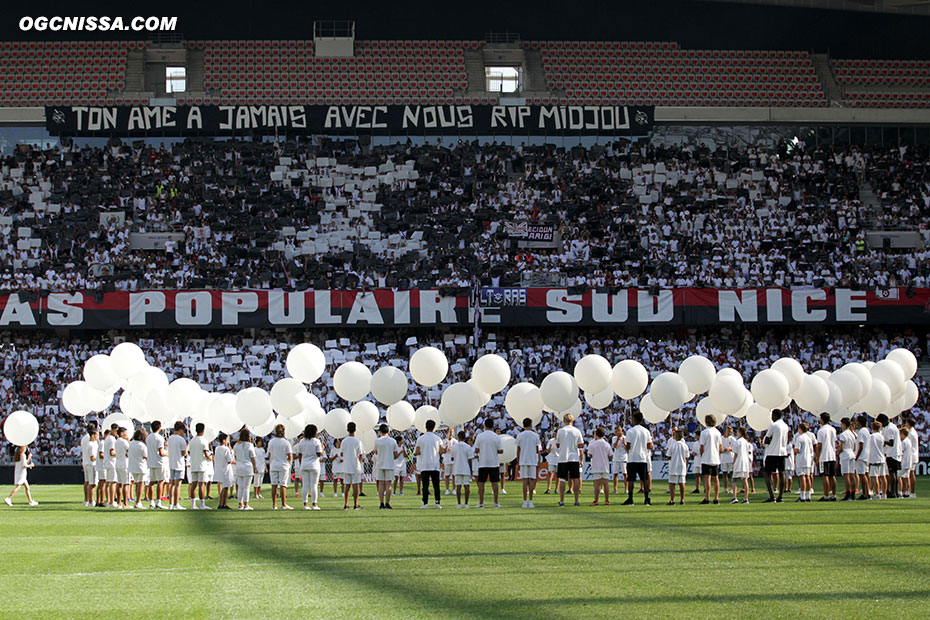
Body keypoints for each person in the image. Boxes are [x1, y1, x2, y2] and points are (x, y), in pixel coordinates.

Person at [623, 412, 654, 506]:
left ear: (634, 419)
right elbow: (649, 445)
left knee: (631, 480)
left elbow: (628, 445)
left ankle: (631, 499)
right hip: (643, 458)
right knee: (644, 479)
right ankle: (646, 499)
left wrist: (626, 447)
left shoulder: (631, 431)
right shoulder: (646, 431)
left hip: (632, 458)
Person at [555, 414, 585, 507]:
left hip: (563, 457)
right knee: (575, 478)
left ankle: (562, 501)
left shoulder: (561, 431)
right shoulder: (577, 431)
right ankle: (576, 501)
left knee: (563, 479)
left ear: (564, 420)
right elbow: (581, 445)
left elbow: (558, 445)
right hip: (574, 457)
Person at [474, 418, 503, 508]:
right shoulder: (496, 436)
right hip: (493, 462)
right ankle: (496, 502)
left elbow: (476, 449)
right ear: (492, 426)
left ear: (485, 426)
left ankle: (481, 503)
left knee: (481, 482)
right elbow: (501, 450)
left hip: (483, 462)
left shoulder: (480, 436)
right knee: (495, 482)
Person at [415, 419, 444, 509]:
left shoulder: (420, 438)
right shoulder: (438, 438)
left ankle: (425, 503)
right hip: (435, 464)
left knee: (425, 485)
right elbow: (441, 451)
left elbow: (417, 452)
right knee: (436, 485)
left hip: (425, 465)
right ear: (434, 427)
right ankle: (437, 502)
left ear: (425, 427)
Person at [762, 409, 789, 503]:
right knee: (782, 473)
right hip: (782, 452)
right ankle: (780, 496)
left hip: (772, 452)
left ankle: (772, 496)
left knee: (767, 473)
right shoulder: (785, 426)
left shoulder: (773, 425)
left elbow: (767, 439)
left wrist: (764, 443)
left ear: (775, 415)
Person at [515, 417, 542, 508]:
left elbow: (518, 450)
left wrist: (518, 462)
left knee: (525, 481)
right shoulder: (535, 435)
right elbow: (537, 450)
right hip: (532, 460)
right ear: (531, 425)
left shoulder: (520, 435)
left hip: (523, 460)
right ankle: (530, 501)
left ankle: (525, 501)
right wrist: (538, 460)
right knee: (531, 480)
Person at [296, 424, 324, 510]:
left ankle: (305, 504)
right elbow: (319, 454)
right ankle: (314, 504)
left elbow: (300, 454)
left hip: (304, 464)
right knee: (314, 485)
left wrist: (302, 464)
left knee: (305, 485)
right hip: (314, 465)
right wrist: (322, 448)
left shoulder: (302, 441)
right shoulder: (316, 441)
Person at [374, 424, 401, 509]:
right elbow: (396, 455)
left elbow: (376, 452)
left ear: (380, 432)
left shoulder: (377, 441)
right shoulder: (393, 441)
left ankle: (381, 503)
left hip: (380, 464)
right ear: (388, 431)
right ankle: (387, 503)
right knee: (388, 484)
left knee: (381, 484)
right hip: (389, 464)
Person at [267, 424, 294, 510]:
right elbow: (289, 456)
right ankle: (284, 504)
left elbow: (269, 455)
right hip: (283, 465)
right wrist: (288, 463)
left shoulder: (271, 442)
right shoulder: (286, 442)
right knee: (283, 485)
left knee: (274, 485)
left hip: (274, 465)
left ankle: (274, 505)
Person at [699, 416, 724, 505]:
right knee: (716, 478)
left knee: (707, 478)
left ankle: (707, 498)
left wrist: (702, 454)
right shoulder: (718, 432)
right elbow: (720, 446)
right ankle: (716, 498)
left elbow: (701, 447)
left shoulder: (704, 432)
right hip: (715, 458)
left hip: (706, 458)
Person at [876, 414, 902, 499]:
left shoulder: (890, 428)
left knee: (892, 473)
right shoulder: (892, 427)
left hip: (892, 452)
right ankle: (895, 492)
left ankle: (893, 492)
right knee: (894, 473)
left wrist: (883, 441)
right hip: (895, 452)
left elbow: (891, 442)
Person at [585, 426, 612, 506]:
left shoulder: (592, 444)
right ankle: (607, 500)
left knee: (596, 484)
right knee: (606, 484)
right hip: (605, 466)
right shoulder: (606, 444)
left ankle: (596, 500)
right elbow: (610, 455)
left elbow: (590, 455)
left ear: (596, 434)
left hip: (596, 465)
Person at [188, 423, 212, 510]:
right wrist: (211, 458)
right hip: (202, 465)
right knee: (202, 484)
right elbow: (206, 454)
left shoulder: (192, 440)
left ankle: (193, 504)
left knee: (194, 484)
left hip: (194, 464)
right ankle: (202, 504)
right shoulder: (204, 441)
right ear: (203, 430)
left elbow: (190, 452)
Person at [815, 413, 838, 502]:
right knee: (832, 476)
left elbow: (819, 445)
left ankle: (826, 495)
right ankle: (834, 494)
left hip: (824, 456)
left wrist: (817, 457)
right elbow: (835, 442)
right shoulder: (833, 429)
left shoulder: (821, 431)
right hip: (832, 455)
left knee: (825, 476)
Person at [145, 420, 168, 510]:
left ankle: (152, 502)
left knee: (151, 482)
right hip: (159, 462)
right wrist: (168, 453)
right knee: (160, 481)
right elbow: (161, 452)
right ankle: (158, 501)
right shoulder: (160, 438)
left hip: (151, 462)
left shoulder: (149, 437)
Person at [341, 422, 364, 510]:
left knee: (347, 486)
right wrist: (359, 463)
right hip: (355, 466)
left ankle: (346, 504)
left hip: (346, 465)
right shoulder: (357, 441)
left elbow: (342, 453)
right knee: (355, 486)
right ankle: (356, 504)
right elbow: (360, 455)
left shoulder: (344, 441)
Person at [233, 429, 257, 510]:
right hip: (247, 467)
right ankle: (246, 505)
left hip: (239, 466)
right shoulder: (249, 445)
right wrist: (255, 467)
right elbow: (253, 458)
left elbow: (235, 456)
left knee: (240, 487)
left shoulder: (236, 445)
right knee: (246, 487)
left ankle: (240, 504)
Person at [167, 421, 188, 511]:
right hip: (179, 463)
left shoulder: (170, 438)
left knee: (171, 484)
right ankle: (176, 504)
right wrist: (187, 447)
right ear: (180, 430)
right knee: (177, 484)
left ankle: (171, 503)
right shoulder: (181, 439)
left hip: (171, 462)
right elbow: (183, 453)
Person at [666, 428, 689, 505]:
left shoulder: (673, 446)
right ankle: (682, 500)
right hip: (682, 466)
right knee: (682, 483)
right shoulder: (685, 446)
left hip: (674, 466)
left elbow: (668, 456)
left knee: (672, 484)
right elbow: (687, 457)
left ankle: (672, 500)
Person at [837, 417, 858, 501]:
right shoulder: (852, 434)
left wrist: (837, 452)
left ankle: (848, 493)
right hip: (852, 454)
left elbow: (841, 447)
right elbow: (854, 447)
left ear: (844, 424)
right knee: (852, 475)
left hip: (845, 454)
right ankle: (853, 493)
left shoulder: (843, 434)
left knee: (846, 475)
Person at [451, 430, 474, 508]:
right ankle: (466, 504)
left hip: (457, 468)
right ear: (465, 438)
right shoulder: (468, 447)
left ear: (458, 437)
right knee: (467, 486)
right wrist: (471, 470)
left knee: (458, 486)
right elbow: (470, 459)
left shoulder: (454, 447)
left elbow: (452, 458)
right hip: (466, 468)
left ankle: (459, 504)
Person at [793, 422, 815, 502]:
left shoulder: (800, 438)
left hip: (801, 459)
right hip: (808, 459)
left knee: (802, 478)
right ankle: (808, 495)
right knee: (808, 477)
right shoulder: (808, 438)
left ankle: (802, 496)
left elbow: (797, 450)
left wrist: (794, 450)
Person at [730, 427, 753, 504]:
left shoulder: (738, 442)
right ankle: (746, 498)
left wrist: (733, 463)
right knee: (745, 479)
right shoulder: (746, 442)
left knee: (734, 479)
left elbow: (735, 454)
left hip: (739, 461)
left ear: (740, 432)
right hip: (745, 462)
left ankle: (734, 497)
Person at [128, 429, 148, 509]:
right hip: (141, 467)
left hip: (133, 466)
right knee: (140, 485)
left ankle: (137, 501)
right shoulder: (142, 445)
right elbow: (146, 456)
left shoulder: (131, 443)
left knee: (137, 484)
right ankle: (138, 502)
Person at [80, 423, 99, 507]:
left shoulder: (84, 438)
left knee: (87, 482)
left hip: (86, 461)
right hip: (91, 463)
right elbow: (92, 456)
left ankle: (86, 500)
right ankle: (91, 501)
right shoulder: (90, 441)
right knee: (92, 483)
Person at [214, 433, 234, 510]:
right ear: (224, 440)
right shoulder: (226, 449)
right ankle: (224, 504)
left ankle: (221, 503)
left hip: (220, 469)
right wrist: (231, 452)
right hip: (226, 469)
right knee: (226, 487)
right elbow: (229, 460)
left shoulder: (217, 448)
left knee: (224, 487)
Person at [868, 421, 887, 499]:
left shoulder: (872, 436)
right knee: (883, 476)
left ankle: (877, 493)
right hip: (881, 458)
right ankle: (884, 494)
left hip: (874, 458)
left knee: (875, 477)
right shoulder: (882, 436)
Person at [113, 426, 130, 509]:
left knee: (119, 484)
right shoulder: (124, 442)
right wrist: (128, 441)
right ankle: (125, 504)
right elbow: (130, 450)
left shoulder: (116, 441)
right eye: (125, 433)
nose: (126, 434)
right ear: (121, 433)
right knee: (126, 484)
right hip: (124, 464)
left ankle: (119, 503)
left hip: (118, 463)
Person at [103, 423, 118, 507]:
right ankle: (112, 502)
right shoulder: (112, 439)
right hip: (112, 463)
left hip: (107, 462)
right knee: (112, 483)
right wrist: (119, 453)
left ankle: (108, 501)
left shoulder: (108, 438)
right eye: (116, 431)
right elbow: (112, 452)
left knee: (108, 482)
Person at [904, 418, 919, 498]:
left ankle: (911, 492)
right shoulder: (914, 432)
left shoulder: (911, 433)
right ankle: (911, 491)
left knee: (910, 473)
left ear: (908, 424)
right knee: (911, 473)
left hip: (912, 455)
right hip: (914, 454)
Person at [611, 427, 627, 495]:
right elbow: (615, 446)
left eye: (619, 431)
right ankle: (615, 489)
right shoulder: (614, 438)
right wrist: (618, 439)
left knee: (625, 474)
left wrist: (624, 442)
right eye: (616, 431)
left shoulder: (625, 438)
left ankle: (626, 489)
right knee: (615, 474)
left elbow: (627, 448)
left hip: (623, 458)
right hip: (616, 458)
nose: (618, 432)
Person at [720, 426, 736, 493]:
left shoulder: (732, 439)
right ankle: (725, 488)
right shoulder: (721, 438)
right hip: (723, 458)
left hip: (730, 458)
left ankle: (732, 488)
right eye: (729, 431)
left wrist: (729, 449)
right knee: (724, 473)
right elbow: (719, 448)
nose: (730, 432)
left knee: (732, 473)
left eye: (731, 431)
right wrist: (722, 450)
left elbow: (735, 448)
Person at [898, 426, 912, 498]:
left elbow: (901, 451)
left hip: (903, 462)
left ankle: (900, 492)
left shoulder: (903, 442)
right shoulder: (908, 441)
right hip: (908, 462)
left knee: (899, 477)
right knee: (906, 478)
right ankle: (907, 492)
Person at [443, 428, 457, 495]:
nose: (451, 433)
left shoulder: (455, 441)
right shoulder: (444, 441)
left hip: (454, 460)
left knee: (454, 475)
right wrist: (446, 447)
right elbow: (443, 451)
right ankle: (447, 489)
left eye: (452, 432)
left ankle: (454, 489)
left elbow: (456, 450)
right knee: (447, 475)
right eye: (450, 432)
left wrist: (451, 449)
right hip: (447, 459)